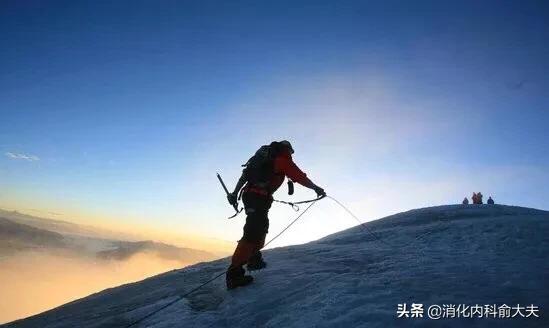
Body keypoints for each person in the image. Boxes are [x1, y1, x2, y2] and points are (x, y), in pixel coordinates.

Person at [225, 140, 326, 289]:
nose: (291, 155)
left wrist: (234, 193)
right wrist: (316, 188)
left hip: (253, 197)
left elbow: (245, 175)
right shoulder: (282, 160)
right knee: (253, 231)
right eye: (291, 152)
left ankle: (253, 258)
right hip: (258, 198)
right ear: (287, 150)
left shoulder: (262, 159)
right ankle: (234, 274)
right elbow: (299, 176)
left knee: (260, 228)